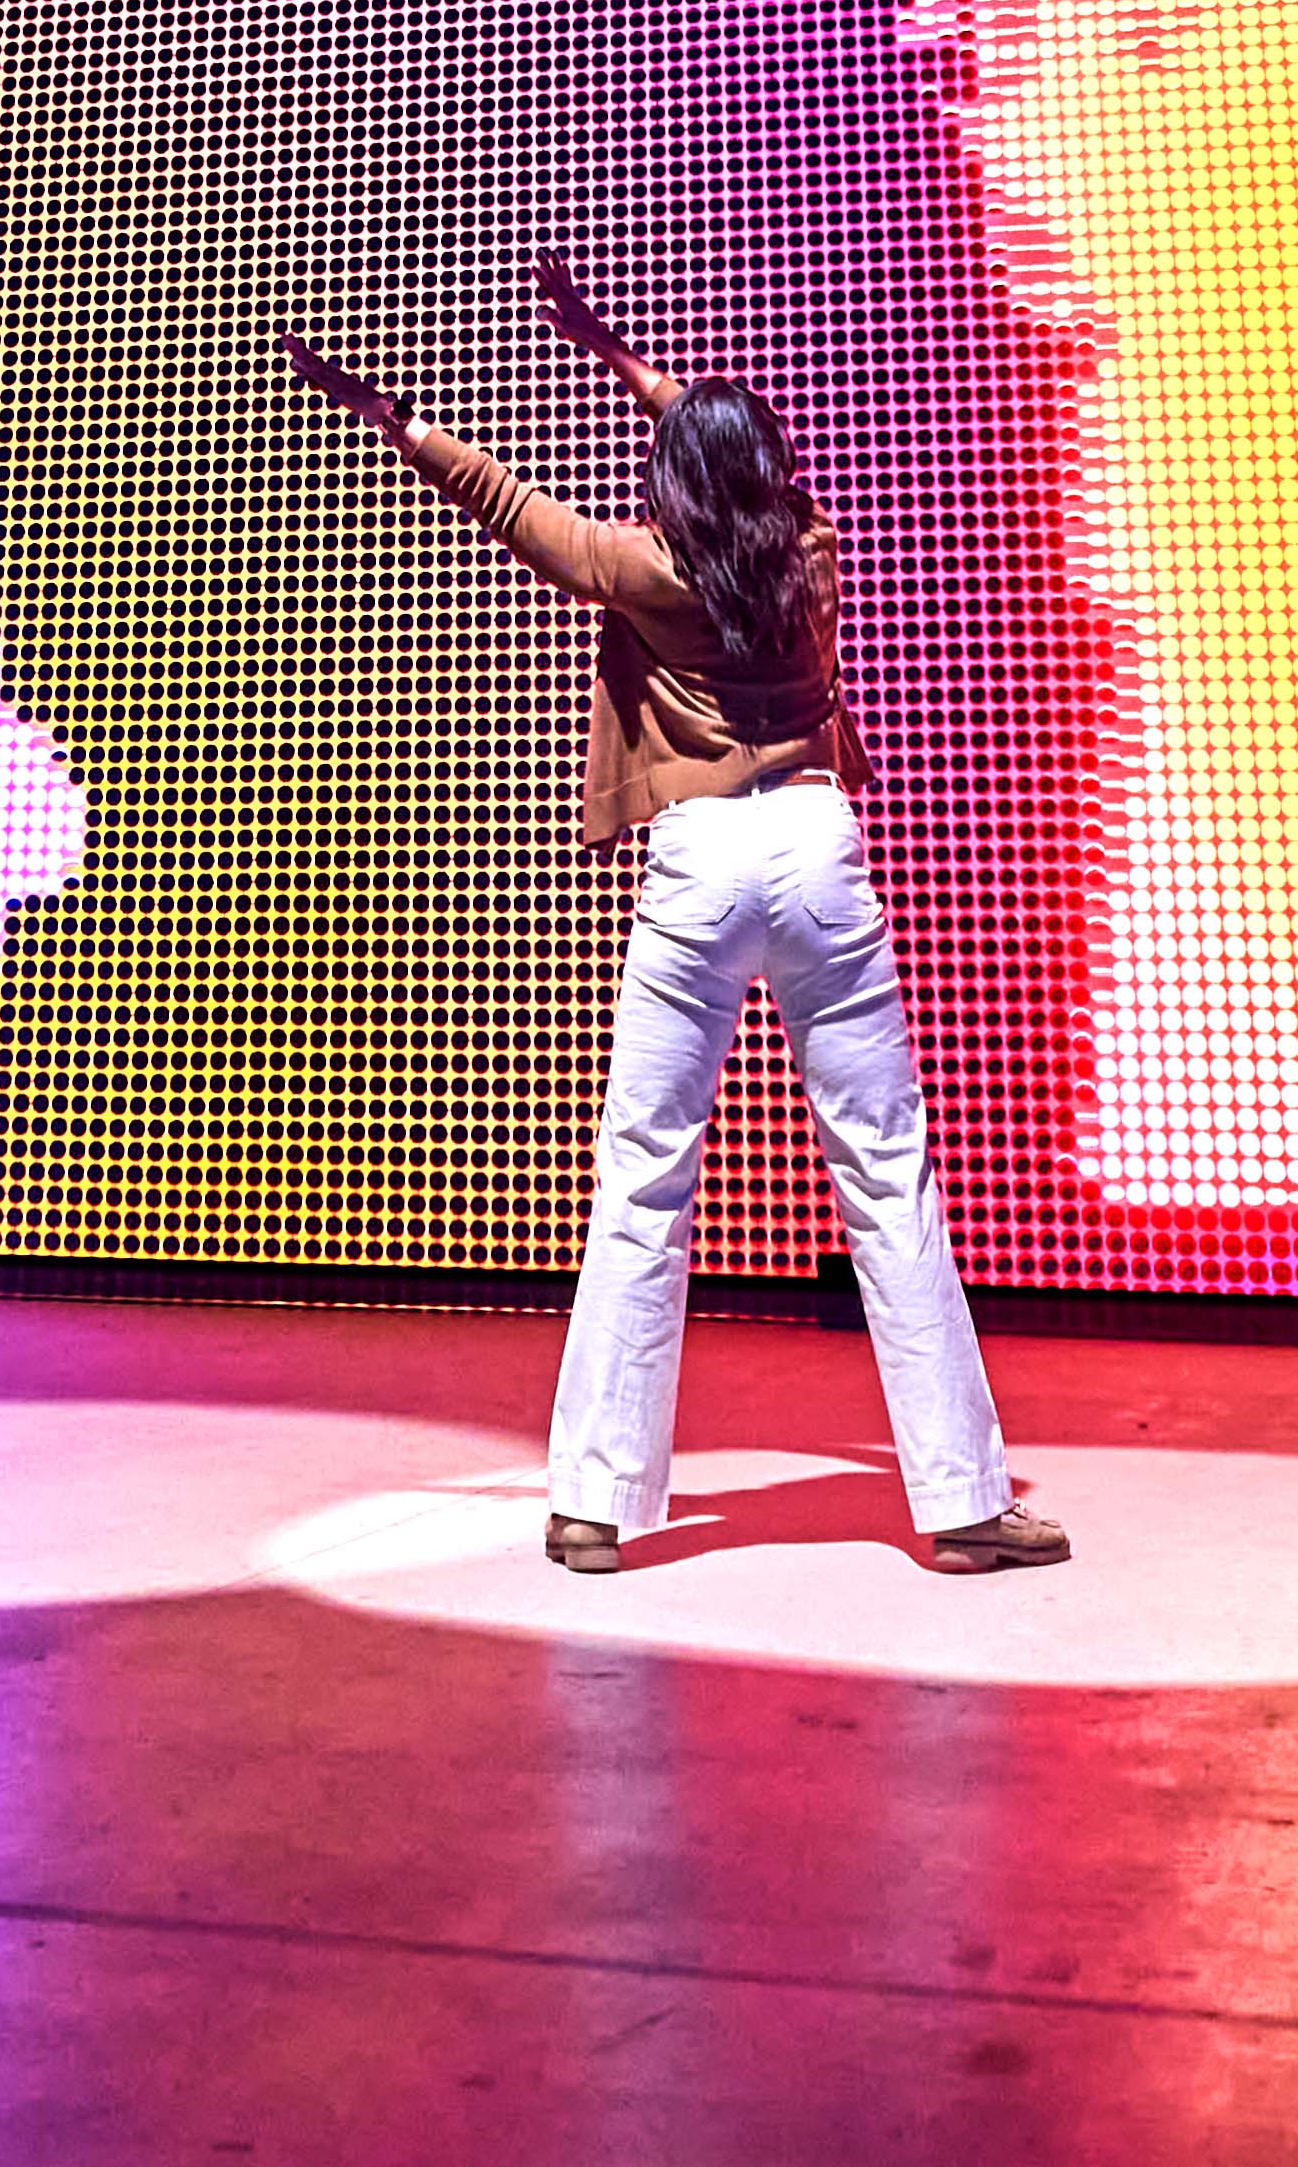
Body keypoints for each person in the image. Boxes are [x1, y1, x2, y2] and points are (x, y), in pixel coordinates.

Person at [278, 261, 1064, 1579]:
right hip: (816, 853)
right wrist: (617, 356)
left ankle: (593, 1503)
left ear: (678, 483)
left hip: (699, 866)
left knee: (645, 1177)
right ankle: (964, 1503)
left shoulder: (644, 570)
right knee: (889, 1179)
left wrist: (388, 415)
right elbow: (731, 460)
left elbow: (498, 498)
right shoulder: (807, 553)